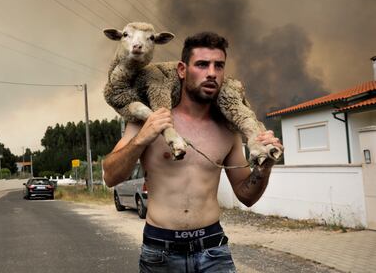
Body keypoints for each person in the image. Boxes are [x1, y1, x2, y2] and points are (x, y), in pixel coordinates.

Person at [103, 32, 283, 273]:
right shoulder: (149, 119)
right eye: (201, 64)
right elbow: (110, 176)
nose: (211, 73)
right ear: (181, 70)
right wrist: (142, 138)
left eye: (218, 65)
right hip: (160, 251)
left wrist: (265, 166)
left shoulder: (227, 130)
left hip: (213, 249)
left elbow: (246, 196)